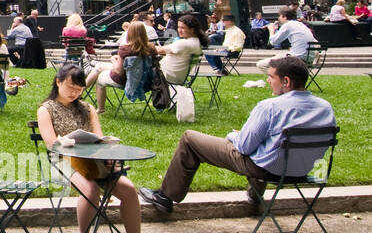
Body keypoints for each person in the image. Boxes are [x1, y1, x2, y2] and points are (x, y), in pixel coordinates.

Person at [140, 56, 335, 215]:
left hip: (267, 169)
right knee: (267, 145)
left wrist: (233, 135)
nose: (268, 80)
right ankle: (254, 198)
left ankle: (165, 196)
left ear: (286, 81)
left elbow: (244, 147)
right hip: (303, 170)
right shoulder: (325, 108)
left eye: (271, 77)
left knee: (190, 138)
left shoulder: (270, 107)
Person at [38, 63, 151, 233]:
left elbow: (99, 138)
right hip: (64, 161)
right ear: (58, 82)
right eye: (70, 87)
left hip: (95, 161)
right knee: (90, 190)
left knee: (128, 189)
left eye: (79, 89)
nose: (75, 93)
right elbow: (51, 144)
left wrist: (106, 153)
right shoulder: (46, 109)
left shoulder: (88, 108)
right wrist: (70, 143)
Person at [85, 21, 157, 111]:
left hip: (126, 80)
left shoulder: (125, 49)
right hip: (145, 81)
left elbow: (118, 71)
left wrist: (113, 59)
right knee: (99, 67)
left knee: (100, 79)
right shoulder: (151, 48)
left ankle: (100, 108)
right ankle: (80, 90)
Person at [258, 7, 314, 72]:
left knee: (261, 64)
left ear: (285, 17)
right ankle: (284, 79)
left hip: (297, 59)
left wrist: (271, 30)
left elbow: (273, 42)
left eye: (279, 16)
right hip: (308, 60)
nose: (278, 18)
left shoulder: (287, 25)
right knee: (279, 57)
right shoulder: (300, 24)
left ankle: (280, 81)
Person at [156, 14, 206, 85]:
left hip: (165, 77)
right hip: (174, 77)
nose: (179, 30)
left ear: (192, 30)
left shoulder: (184, 44)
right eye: (178, 27)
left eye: (183, 28)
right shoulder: (196, 42)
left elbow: (158, 50)